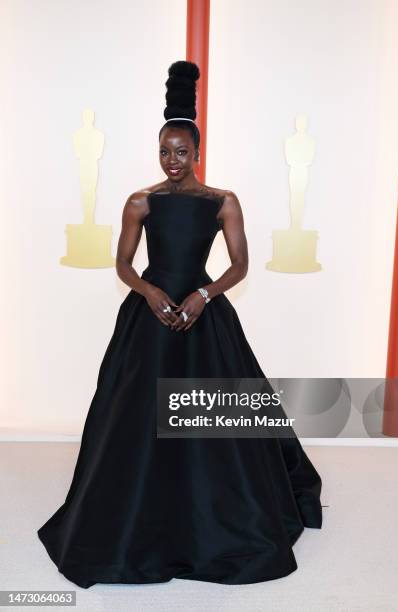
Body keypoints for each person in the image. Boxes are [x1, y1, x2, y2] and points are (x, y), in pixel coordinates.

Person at [37, 60, 323, 588]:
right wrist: (148, 291)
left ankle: (212, 520)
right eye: (164, 152)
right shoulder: (139, 201)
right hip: (150, 318)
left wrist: (203, 295)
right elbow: (123, 263)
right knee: (132, 419)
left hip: (202, 315)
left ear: (197, 152)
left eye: (182, 152)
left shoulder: (222, 202)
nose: (172, 161)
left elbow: (239, 264)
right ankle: (136, 520)